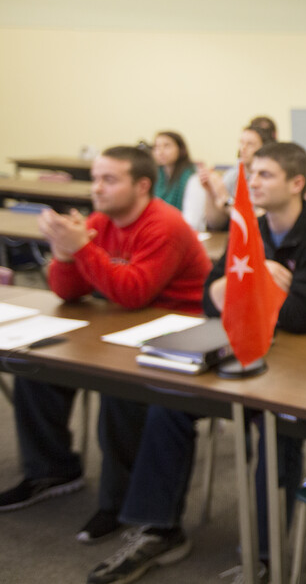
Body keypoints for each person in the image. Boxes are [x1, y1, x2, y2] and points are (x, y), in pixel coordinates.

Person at [90, 142, 306, 584]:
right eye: (251, 173)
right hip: (261, 353)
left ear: (297, 184)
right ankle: (159, 529)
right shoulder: (250, 228)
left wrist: (249, 289)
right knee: (170, 402)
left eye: (265, 175)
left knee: (276, 429)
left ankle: (263, 554)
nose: (252, 182)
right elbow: (211, 299)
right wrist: (257, 284)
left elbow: (299, 318)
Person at [0, 146, 211, 547]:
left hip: (174, 335)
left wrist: (81, 249)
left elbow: (134, 292)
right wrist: (64, 253)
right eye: (95, 178)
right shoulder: (103, 220)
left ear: (142, 185)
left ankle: (118, 505)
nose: (96, 188)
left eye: (109, 180)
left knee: (120, 391)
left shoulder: (164, 225)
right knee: (37, 363)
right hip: (119, 326)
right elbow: (69, 291)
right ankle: (53, 470)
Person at [199, 124, 272, 231]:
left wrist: (226, 201)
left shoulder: (270, 178)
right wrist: (210, 192)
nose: (243, 148)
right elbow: (215, 224)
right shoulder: (232, 176)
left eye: (250, 144)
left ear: (264, 148)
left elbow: (257, 221)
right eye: (241, 143)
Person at [151, 130, 204, 231]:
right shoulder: (154, 177)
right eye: (156, 147)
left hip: (184, 232)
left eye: (166, 146)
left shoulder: (192, 177)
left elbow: (193, 221)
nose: (160, 151)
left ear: (180, 149)